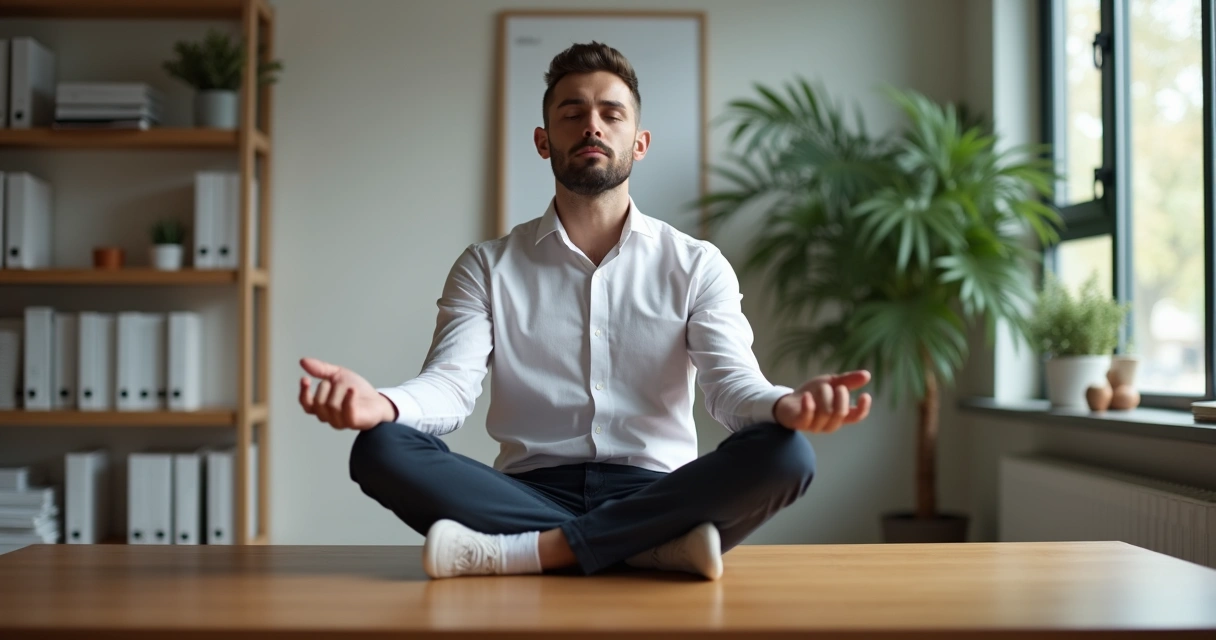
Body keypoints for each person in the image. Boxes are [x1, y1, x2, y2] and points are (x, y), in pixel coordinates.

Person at [298, 41, 872, 581]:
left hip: (655, 490)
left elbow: (732, 388)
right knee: (381, 446)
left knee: (786, 453)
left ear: (638, 142)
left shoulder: (698, 265)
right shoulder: (487, 265)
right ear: (544, 141)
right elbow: (449, 387)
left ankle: (536, 552)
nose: (592, 124)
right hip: (527, 492)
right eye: (571, 113)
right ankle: (649, 549)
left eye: (610, 113)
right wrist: (383, 403)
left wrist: (785, 405)